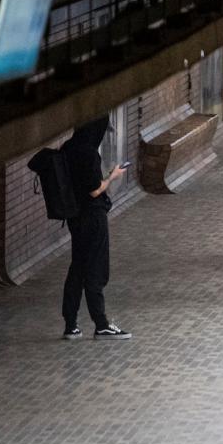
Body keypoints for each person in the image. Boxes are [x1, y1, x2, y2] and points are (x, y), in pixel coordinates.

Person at [60, 116, 131, 340]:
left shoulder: (68, 148)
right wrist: (112, 176)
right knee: (96, 270)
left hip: (75, 217)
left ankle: (70, 325)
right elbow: (94, 190)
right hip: (93, 216)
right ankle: (101, 324)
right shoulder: (88, 153)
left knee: (77, 268)